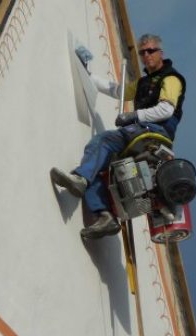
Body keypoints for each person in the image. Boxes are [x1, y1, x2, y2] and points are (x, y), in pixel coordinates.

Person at [51, 34, 186, 239]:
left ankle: (79, 179)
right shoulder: (143, 82)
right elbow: (117, 90)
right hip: (140, 133)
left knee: (102, 141)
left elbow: (166, 109)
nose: (146, 55)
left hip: (154, 133)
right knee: (100, 169)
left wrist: (134, 115)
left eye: (151, 51)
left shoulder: (171, 78)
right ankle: (105, 216)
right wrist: (88, 74)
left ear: (161, 53)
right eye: (142, 53)